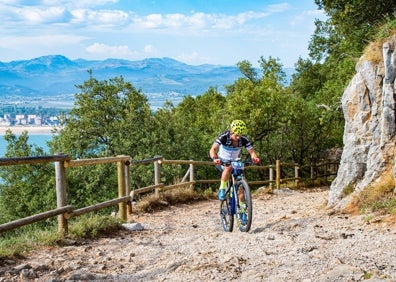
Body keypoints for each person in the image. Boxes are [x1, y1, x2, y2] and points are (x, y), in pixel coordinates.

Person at [209, 120, 259, 222]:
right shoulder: (224, 136)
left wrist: (254, 158)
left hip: (235, 161)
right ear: (232, 131)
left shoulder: (243, 139)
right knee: (228, 168)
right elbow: (213, 149)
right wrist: (215, 158)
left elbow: (252, 151)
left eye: (240, 135)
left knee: (240, 187)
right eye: (236, 135)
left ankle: (242, 211)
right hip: (222, 160)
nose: (238, 137)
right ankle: (222, 189)